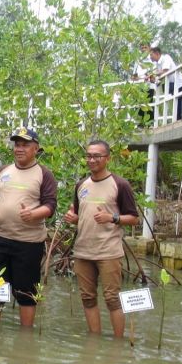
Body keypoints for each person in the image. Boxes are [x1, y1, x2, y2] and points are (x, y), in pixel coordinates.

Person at [0, 128, 56, 327]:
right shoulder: (3, 171)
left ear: (36, 148)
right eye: (17, 144)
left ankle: (26, 340)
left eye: (25, 145)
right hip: (0, 240)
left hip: (28, 244)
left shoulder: (44, 174)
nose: (19, 149)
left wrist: (34, 214)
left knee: (25, 294)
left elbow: (50, 205)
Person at [63, 140, 139, 337]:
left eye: (97, 156)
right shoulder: (81, 185)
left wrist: (112, 218)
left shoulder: (120, 184)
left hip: (108, 251)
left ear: (108, 159)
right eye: (88, 156)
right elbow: (81, 216)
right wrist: (73, 219)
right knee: (87, 298)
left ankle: (118, 344)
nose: (92, 160)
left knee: (112, 299)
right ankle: (94, 340)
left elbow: (133, 218)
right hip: (83, 250)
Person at [149, 47, 182, 120]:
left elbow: (165, 71)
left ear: (157, 53)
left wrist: (153, 74)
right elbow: (160, 76)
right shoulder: (157, 64)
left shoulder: (166, 58)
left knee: (180, 104)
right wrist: (153, 79)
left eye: (151, 55)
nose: (150, 57)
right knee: (178, 103)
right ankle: (179, 118)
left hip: (179, 83)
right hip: (172, 84)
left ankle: (180, 118)